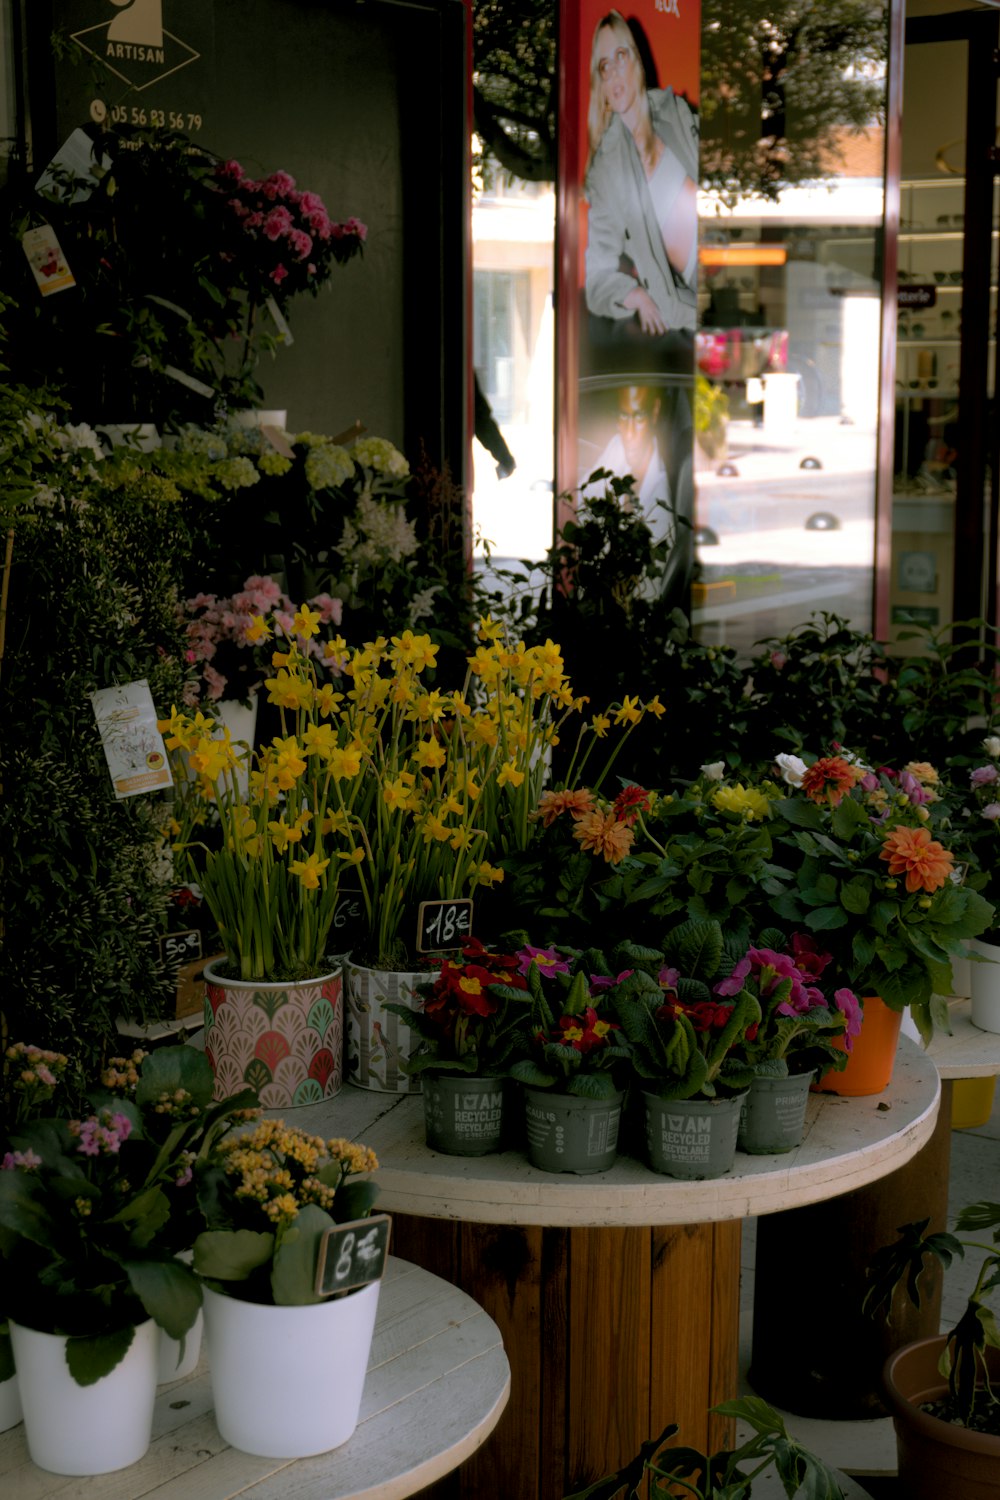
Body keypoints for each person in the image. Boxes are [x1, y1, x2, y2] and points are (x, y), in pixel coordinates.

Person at [584, 10, 699, 336]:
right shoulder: (607, 170)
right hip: (696, 302)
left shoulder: (676, 113)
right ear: (601, 84)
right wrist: (631, 294)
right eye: (605, 66)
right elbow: (597, 277)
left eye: (621, 55)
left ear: (637, 61)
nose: (614, 71)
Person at [581, 383, 693, 607]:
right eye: (623, 416)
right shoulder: (617, 447)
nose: (629, 433)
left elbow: (645, 598)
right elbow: (578, 506)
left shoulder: (660, 511)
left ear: (655, 411)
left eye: (639, 417)